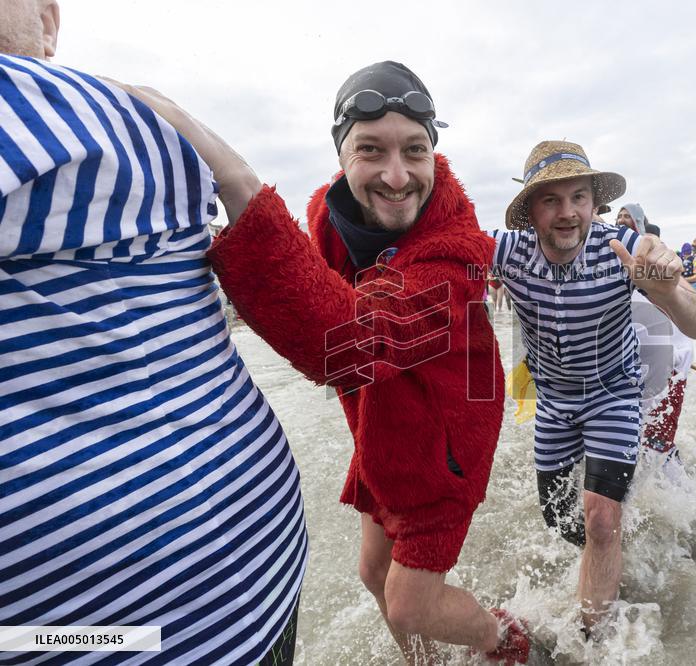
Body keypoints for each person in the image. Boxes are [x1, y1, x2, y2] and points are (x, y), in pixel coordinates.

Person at [125, 62, 527, 662]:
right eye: (372, 150)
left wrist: (237, 182)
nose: (397, 175)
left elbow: (345, 341)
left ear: (434, 152)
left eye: (415, 150)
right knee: (373, 576)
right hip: (383, 433)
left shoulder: (457, 256)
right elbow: (310, 289)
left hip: (447, 449)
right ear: (341, 154)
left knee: (411, 602)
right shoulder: (329, 218)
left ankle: (509, 640)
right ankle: (426, 662)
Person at [0, 3, 306, 664]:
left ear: (49, 24)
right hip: (142, 623)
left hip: (149, 629)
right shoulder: (152, 128)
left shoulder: (89, 119)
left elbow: (336, 341)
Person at [490, 142, 696, 634]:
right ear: (529, 212)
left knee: (600, 519)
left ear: (595, 204)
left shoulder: (624, 249)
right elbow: (437, 252)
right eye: (551, 200)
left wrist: (665, 290)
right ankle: (610, 552)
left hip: (613, 394)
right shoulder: (507, 252)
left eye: (579, 197)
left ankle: (593, 636)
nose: (568, 212)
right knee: (560, 521)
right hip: (551, 402)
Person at [615, 205, 694, 473]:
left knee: (657, 441)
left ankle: (683, 500)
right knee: (626, 438)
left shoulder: (654, 257)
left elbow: (680, 300)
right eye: (619, 217)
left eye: (628, 218)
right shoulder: (607, 257)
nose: (621, 222)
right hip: (629, 363)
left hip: (666, 360)